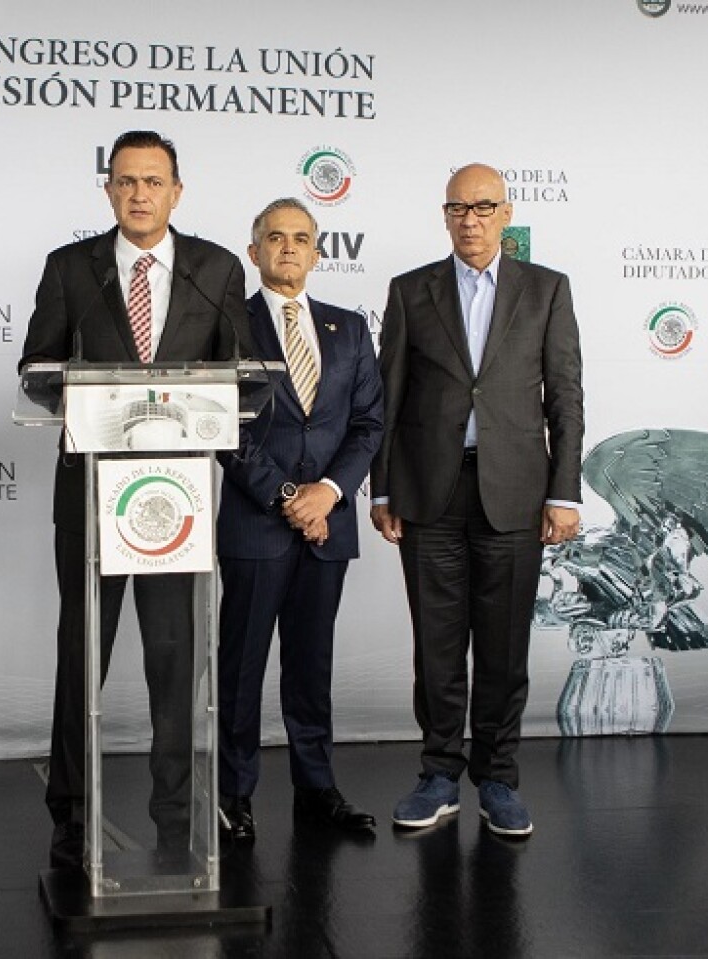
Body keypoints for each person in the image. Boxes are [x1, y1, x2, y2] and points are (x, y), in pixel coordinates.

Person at [19, 130, 250, 869]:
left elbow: (240, 377)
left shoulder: (217, 269)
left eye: (153, 181)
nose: (139, 193)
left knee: (176, 658)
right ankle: (70, 814)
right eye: (125, 181)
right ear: (109, 189)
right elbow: (35, 368)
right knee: (81, 651)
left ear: (177, 191)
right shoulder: (69, 268)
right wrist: (80, 390)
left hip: (174, 497)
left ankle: (178, 814)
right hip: (91, 489)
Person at [371, 163, 583, 837]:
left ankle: (497, 778)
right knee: (436, 646)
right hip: (429, 492)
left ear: (506, 212)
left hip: (517, 494)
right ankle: (438, 774)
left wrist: (564, 491)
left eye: (484, 206)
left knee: (502, 647)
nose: (471, 218)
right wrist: (383, 486)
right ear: (445, 214)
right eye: (459, 207)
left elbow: (566, 397)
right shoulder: (410, 292)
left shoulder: (546, 290)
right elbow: (388, 397)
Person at [215, 198, 384, 842]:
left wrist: (330, 493)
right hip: (258, 524)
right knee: (243, 665)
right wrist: (291, 496)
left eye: (301, 238)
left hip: (329, 526)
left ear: (317, 253)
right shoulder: (231, 325)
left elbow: (368, 424)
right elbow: (225, 425)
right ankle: (234, 795)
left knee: (312, 666)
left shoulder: (349, 328)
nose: (289, 247)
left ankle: (316, 789)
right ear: (254, 252)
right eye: (274, 237)